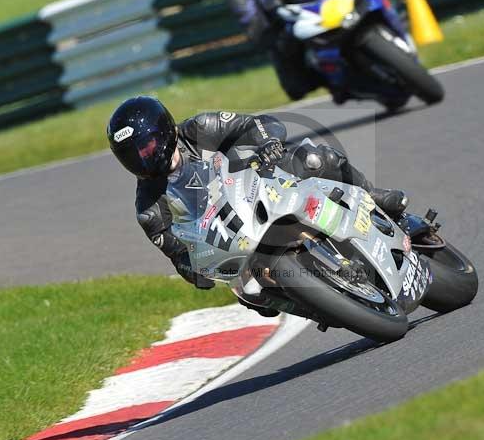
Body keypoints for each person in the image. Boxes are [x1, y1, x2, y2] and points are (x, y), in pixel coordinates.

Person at [107, 96, 408, 313]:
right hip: (233, 242)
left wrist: (267, 144)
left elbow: (258, 125)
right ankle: (320, 304)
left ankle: (373, 195)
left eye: (145, 148)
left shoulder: (199, 129)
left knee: (315, 158)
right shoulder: (149, 208)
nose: (142, 159)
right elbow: (179, 257)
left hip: (262, 187)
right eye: (131, 156)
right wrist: (198, 267)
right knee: (250, 293)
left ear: (164, 132)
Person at [222, 0, 368, 103]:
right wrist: (277, 36)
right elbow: (252, 24)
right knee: (295, 88)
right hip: (291, 25)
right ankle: (336, 83)